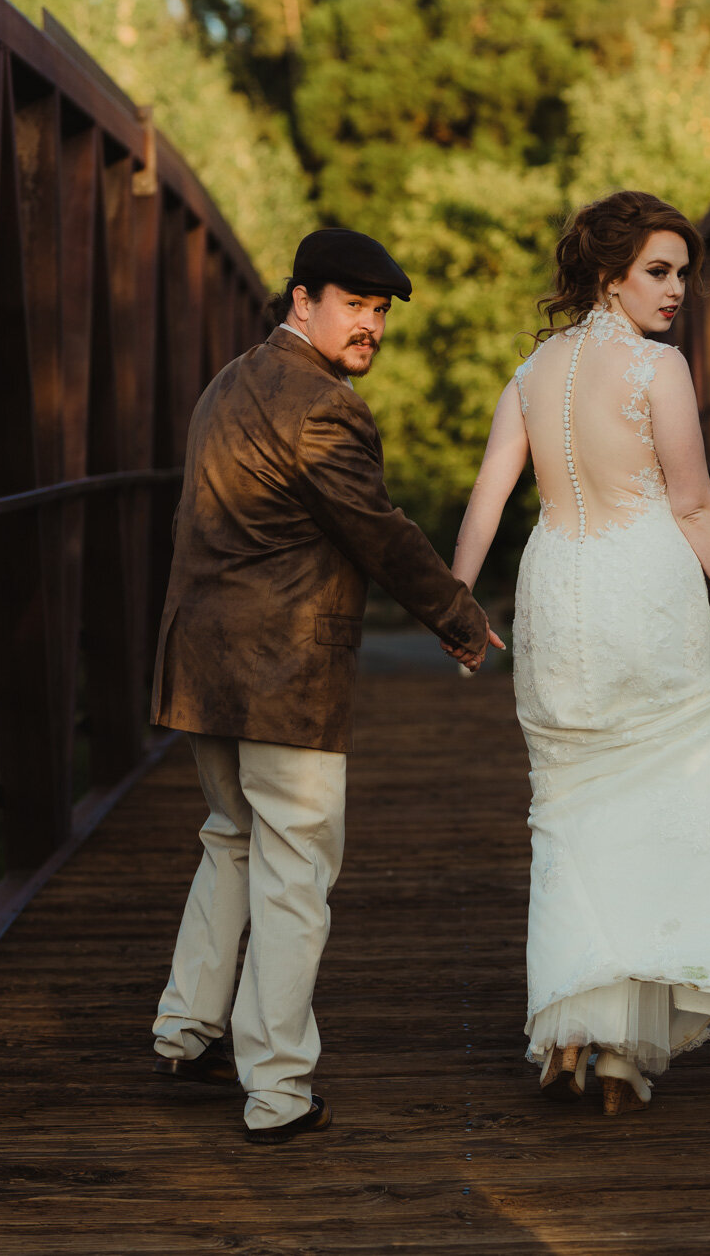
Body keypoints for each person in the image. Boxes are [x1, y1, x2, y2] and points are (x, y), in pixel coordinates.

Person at [450, 190, 710, 1117]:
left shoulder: (529, 372)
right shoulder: (658, 369)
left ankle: (579, 1033)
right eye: (658, 270)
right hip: (644, 593)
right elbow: (691, 506)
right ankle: (615, 1050)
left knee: (567, 809)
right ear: (610, 273)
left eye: (683, 272)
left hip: (555, 590)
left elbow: (489, 495)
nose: (678, 288)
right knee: (645, 801)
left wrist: (456, 599)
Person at [149, 228, 502, 1145]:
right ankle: (277, 1092)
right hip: (280, 675)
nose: (372, 325)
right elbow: (377, 531)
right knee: (295, 871)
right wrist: (461, 621)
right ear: (301, 301)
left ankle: (186, 1033)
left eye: (381, 311)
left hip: (202, 664)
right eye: (354, 305)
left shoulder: (228, 380)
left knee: (231, 839)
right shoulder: (324, 408)